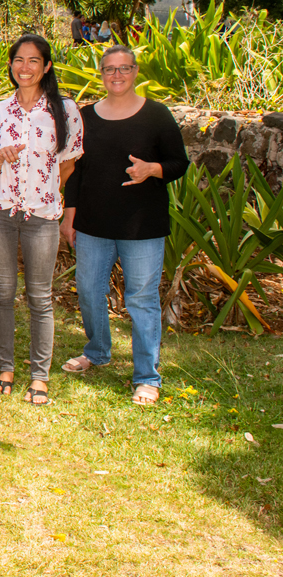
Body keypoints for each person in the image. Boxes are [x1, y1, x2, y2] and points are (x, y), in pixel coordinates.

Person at [60, 45, 188, 405]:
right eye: (110, 70)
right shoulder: (85, 117)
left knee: (142, 300)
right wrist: (69, 215)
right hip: (92, 224)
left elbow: (179, 162)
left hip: (142, 226)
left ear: (135, 72)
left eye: (124, 68)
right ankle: (98, 351)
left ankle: (147, 376)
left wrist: (153, 169)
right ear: (101, 74)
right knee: (87, 291)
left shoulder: (157, 115)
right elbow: (75, 171)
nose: (117, 75)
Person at [0, 35, 84, 406]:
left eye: (34, 61)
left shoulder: (64, 110)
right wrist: (0, 158)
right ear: (10, 65)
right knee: (3, 291)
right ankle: (5, 368)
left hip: (41, 216)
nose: (25, 67)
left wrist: (43, 190)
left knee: (39, 296)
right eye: (18, 60)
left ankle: (39, 377)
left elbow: (68, 162)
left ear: (47, 66)